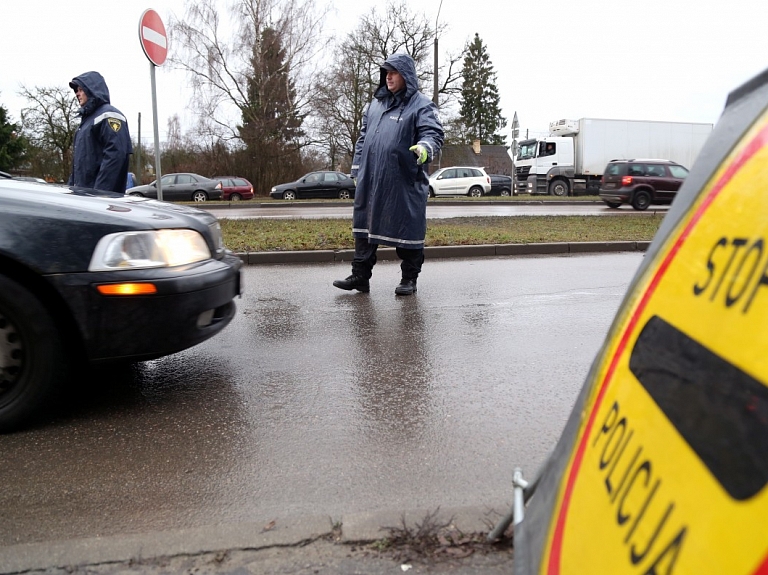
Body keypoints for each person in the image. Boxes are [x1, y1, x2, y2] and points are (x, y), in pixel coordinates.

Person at [333, 53, 444, 296]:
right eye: (386, 72)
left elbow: (433, 134)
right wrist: (357, 167)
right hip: (371, 180)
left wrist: (424, 149)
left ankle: (409, 279)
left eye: (393, 72)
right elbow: (363, 138)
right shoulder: (375, 105)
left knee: (407, 230)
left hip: (403, 181)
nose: (388, 77)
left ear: (407, 76)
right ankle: (360, 277)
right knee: (364, 229)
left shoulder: (422, 104)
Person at [67, 71, 132, 193]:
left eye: (81, 90)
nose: (77, 94)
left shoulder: (110, 116)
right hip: (82, 199)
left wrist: (99, 194)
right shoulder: (85, 123)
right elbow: (79, 166)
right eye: (76, 91)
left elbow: (115, 156)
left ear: (92, 89)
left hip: (100, 202)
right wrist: (71, 190)